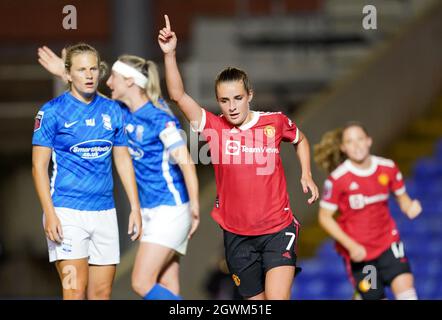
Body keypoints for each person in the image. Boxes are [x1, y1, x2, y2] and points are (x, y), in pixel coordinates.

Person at [158, 15, 319, 300]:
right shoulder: (213, 127)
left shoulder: (274, 122)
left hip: (277, 230)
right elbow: (178, 95)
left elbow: (301, 139)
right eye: (224, 100)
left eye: (237, 98)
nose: (231, 107)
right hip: (236, 237)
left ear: (249, 96)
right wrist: (170, 55)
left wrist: (306, 173)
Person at [37, 47, 200, 300]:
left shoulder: (152, 116)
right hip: (80, 211)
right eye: (84, 70)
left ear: (130, 81)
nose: (105, 80)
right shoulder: (112, 112)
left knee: (127, 286)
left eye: (102, 72)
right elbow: (39, 166)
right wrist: (66, 71)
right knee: (162, 284)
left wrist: (193, 206)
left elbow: (185, 162)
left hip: (160, 209)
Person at [32, 43, 142, 300]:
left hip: (104, 212)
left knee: (101, 294)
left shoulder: (112, 110)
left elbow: (123, 159)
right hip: (67, 212)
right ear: (68, 74)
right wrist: (50, 213)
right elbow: (38, 167)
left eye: (94, 68)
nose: (90, 75)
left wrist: (135, 206)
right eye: (82, 70)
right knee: (74, 291)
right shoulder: (51, 112)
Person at [315, 122, 422, 300]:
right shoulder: (337, 180)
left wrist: (409, 207)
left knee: (407, 293)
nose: (356, 145)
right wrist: (351, 245)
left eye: (360, 139)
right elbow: (324, 217)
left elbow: (401, 196)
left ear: (369, 141)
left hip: (389, 243)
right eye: (350, 141)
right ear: (343, 148)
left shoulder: (387, 167)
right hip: (361, 254)